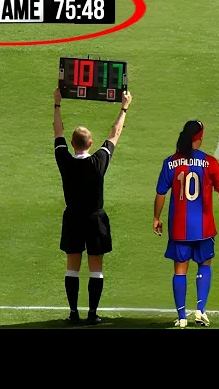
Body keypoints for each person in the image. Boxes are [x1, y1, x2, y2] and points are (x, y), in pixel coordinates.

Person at [53, 86, 132, 325]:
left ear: (71, 143)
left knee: (72, 266)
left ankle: (73, 313)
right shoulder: (99, 161)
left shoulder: (64, 160)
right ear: (91, 143)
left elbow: (57, 131)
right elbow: (115, 133)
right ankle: (92, 314)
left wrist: (57, 104)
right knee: (96, 267)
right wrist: (124, 107)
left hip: (73, 218)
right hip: (95, 219)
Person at [153, 120, 219, 328]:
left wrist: (156, 217)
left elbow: (161, 193)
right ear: (198, 138)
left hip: (179, 228)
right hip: (204, 227)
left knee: (180, 270)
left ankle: (182, 317)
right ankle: (200, 311)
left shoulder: (170, 162)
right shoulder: (210, 162)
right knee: (204, 265)